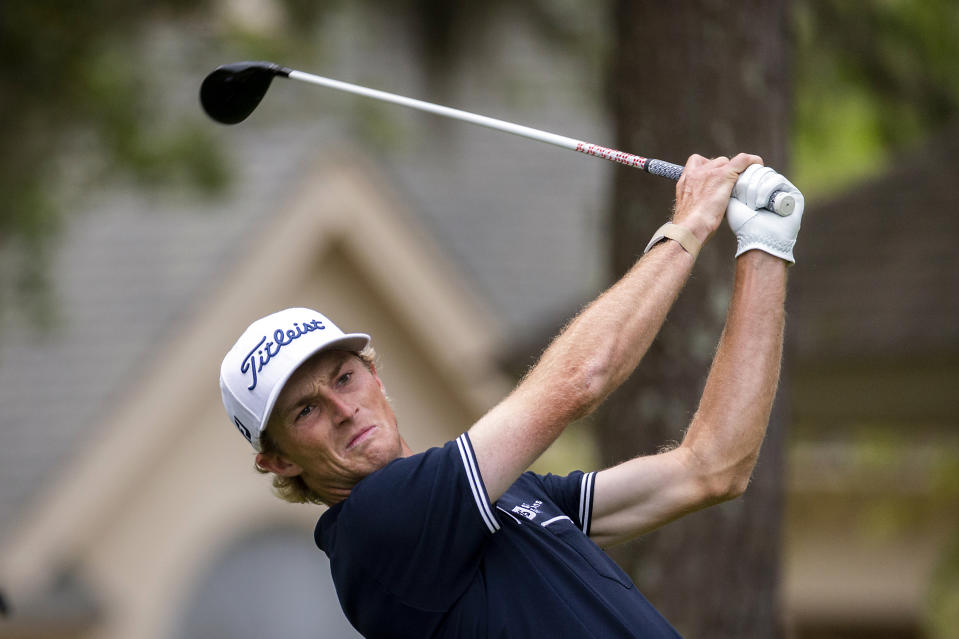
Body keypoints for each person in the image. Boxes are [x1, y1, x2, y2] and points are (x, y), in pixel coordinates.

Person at [219, 153, 804, 638]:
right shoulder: (375, 526)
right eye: (306, 410)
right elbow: (581, 380)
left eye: (345, 378)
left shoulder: (502, 493)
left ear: (377, 377)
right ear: (280, 460)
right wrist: (690, 223)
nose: (343, 410)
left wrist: (765, 246)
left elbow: (712, 468)